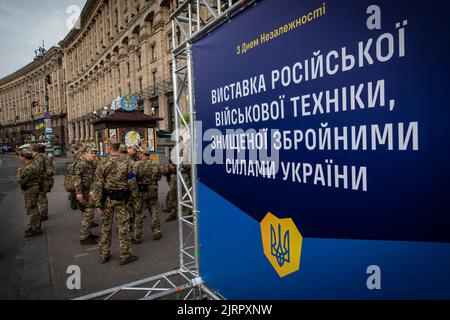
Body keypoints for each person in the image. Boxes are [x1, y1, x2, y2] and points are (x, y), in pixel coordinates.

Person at [92, 142, 138, 265]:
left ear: (110, 148)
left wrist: (97, 203)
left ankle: (104, 254)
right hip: (122, 200)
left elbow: (98, 184)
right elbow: (132, 181)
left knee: (105, 227)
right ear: (119, 149)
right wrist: (134, 197)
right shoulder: (127, 162)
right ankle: (125, 255)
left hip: (107, 200)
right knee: (123, 227)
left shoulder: (102, 163)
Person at [132, 146, 162, 244]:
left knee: (139, 214)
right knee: (154, 211)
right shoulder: (155, 164)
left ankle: (137, 236)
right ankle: (157, 232)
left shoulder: (136, 165)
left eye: (139, 153)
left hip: (141, 191)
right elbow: (159, 177)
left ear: (141, 153)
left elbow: (131, 178)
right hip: (153, 190)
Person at [73, 144, 99, 245]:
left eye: (94, 153)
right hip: (83, 192)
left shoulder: (92, 163)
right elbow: (77, 178)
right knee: (87, 214)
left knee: (90, 213)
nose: (93, 155)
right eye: (91, 153)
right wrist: (78, 192)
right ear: (85, 153)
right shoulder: (81, 163)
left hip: (90, 192)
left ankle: (88, 233)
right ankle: (84, 237)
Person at [17, 148, 42, 238]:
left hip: (30, 190)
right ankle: (35, 225)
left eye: (20, 156)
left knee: (32, 209)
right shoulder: (34, 164)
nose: (20, 158)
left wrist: (19, 172)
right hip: (35, 188)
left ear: (24, 157)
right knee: (34, 208)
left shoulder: (28, 168)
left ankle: (35, 228)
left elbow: (20, 181)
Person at [31, 144, 53, 221]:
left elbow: (38, 169)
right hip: (46, 179)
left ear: (35, 150)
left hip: (41, 179)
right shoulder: (45, 156)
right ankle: (44, 212)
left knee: (41, 196)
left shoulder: (39, 157)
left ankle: (44, 214)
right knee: (42, 196)